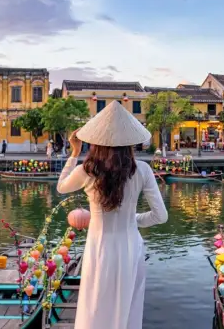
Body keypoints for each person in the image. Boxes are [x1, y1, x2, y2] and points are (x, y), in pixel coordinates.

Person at [57, 101, 167, 329]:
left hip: (100, 247)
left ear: (97, 141)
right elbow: (160, 216)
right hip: (130, 246)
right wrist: (134, 220)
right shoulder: (143, 170)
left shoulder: (86, 171)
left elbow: (61, 187)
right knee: (128, 306)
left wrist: (74, 153)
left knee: (95, 305)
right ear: (129, 141)